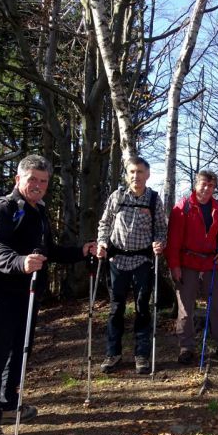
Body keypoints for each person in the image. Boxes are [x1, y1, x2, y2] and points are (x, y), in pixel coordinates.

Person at [0, 154, 96, 435]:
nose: (38, 185)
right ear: (18, 179)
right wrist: (20, 262)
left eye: (43, 181)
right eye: (33, 179)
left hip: (26, 296)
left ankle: (7, 405)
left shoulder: (37, 211)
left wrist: (82, 251)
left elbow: (48, 250)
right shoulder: (1, 208)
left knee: (18, 353)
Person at [96, 156, 167, 375]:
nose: (136, 176)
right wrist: (101, 242)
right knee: (116, 308)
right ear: (127, 174)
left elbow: (162, 229)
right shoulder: (117, 196)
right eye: (132, 172)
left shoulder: (154, 200)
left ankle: (142, 355)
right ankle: (113, 353)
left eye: (140, 172)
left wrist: (160, 244)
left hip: (142, 262)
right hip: (117, 260)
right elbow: (105, 223)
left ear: (147, 175)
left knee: (142, 308)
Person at [165, 170, 218, 365]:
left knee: (217, 305)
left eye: (211, 186)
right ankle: (186, 348)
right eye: (204, 184)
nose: (207, 189)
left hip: (210, 263)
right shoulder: (182, 207)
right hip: (187, 263)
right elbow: (173, 241)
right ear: (196, 184)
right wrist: (174, 266)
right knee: (186, 308)